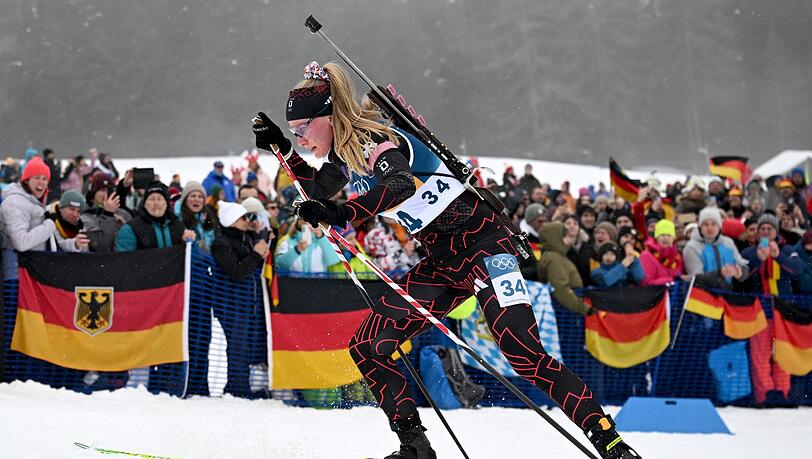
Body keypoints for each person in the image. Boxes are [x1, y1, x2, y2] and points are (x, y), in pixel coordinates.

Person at [252, 61, 640, 459]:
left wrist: (343, 214)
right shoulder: (345, 156)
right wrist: (280, 147)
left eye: (302, 130)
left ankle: (610, 442)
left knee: (524, 353)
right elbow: (316, 187)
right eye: (295, 133)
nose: (301, 140)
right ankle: (415, 447)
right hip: (442, 261)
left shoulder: (375, 140)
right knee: (367, 346)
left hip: (486, 247)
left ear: (328, 117)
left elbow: (400, 183)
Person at [210, 201, 270, 397]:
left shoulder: (245, 239)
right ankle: (237, 388)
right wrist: (255, 254)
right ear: (232, 220)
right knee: (237, 347)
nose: (248, 221)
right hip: (230, 304)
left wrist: (259, 239)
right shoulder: (222, 243)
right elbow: (236, 272)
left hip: (246, 304)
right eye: (244, 217)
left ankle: (241, 386)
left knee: (244, 346)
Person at [0, 157, 88, 278]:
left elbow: (52, 242)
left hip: (33, 271)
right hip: (18, 274)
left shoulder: (36, 203)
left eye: (45, 178)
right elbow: (21, 243)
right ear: (26, 180)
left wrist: (75, 244)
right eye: (37, 178)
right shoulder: (15, 203)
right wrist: (49, 224)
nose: (41, 182)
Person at [682, 207, 749, 289]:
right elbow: (696, 278)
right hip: (704, 295)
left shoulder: (728, 243)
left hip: (729, 293)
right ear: (700, 227)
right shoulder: (692, 247)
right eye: (706, 224)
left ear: (719, 227)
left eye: (714, 224)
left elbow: (742, 263)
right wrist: (720, 274)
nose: (710, 228)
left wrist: (739, 272)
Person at [537, 222, 591, 315]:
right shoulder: (554, 259)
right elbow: (560, 289)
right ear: (555, 239)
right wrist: (584, 309)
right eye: (564, 235)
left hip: (568, 310)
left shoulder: (558, 255)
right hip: (565, 313)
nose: (569, 239)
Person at [81, 174, 125, 252]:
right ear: (93, 195)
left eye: (109, 190)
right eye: (102, 190)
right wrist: (109, 215)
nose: (106, 194)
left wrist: (124, 227)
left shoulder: (123, 213)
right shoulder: (85, 218)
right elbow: (102, 247)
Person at [639, 220, 683, 286]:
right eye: (662, 235)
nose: (665, 238)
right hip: (656, 294)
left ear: (673, 239)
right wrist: (671, 280)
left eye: (669, 235)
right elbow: (647, 282)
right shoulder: (646, 255)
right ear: (656, 238)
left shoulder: (677, 256)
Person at [177, 181, 217, 252]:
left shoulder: (207, 217)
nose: (197, 199)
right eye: (193, 196)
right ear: (185, 199)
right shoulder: (177, 219)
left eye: (200, 196)